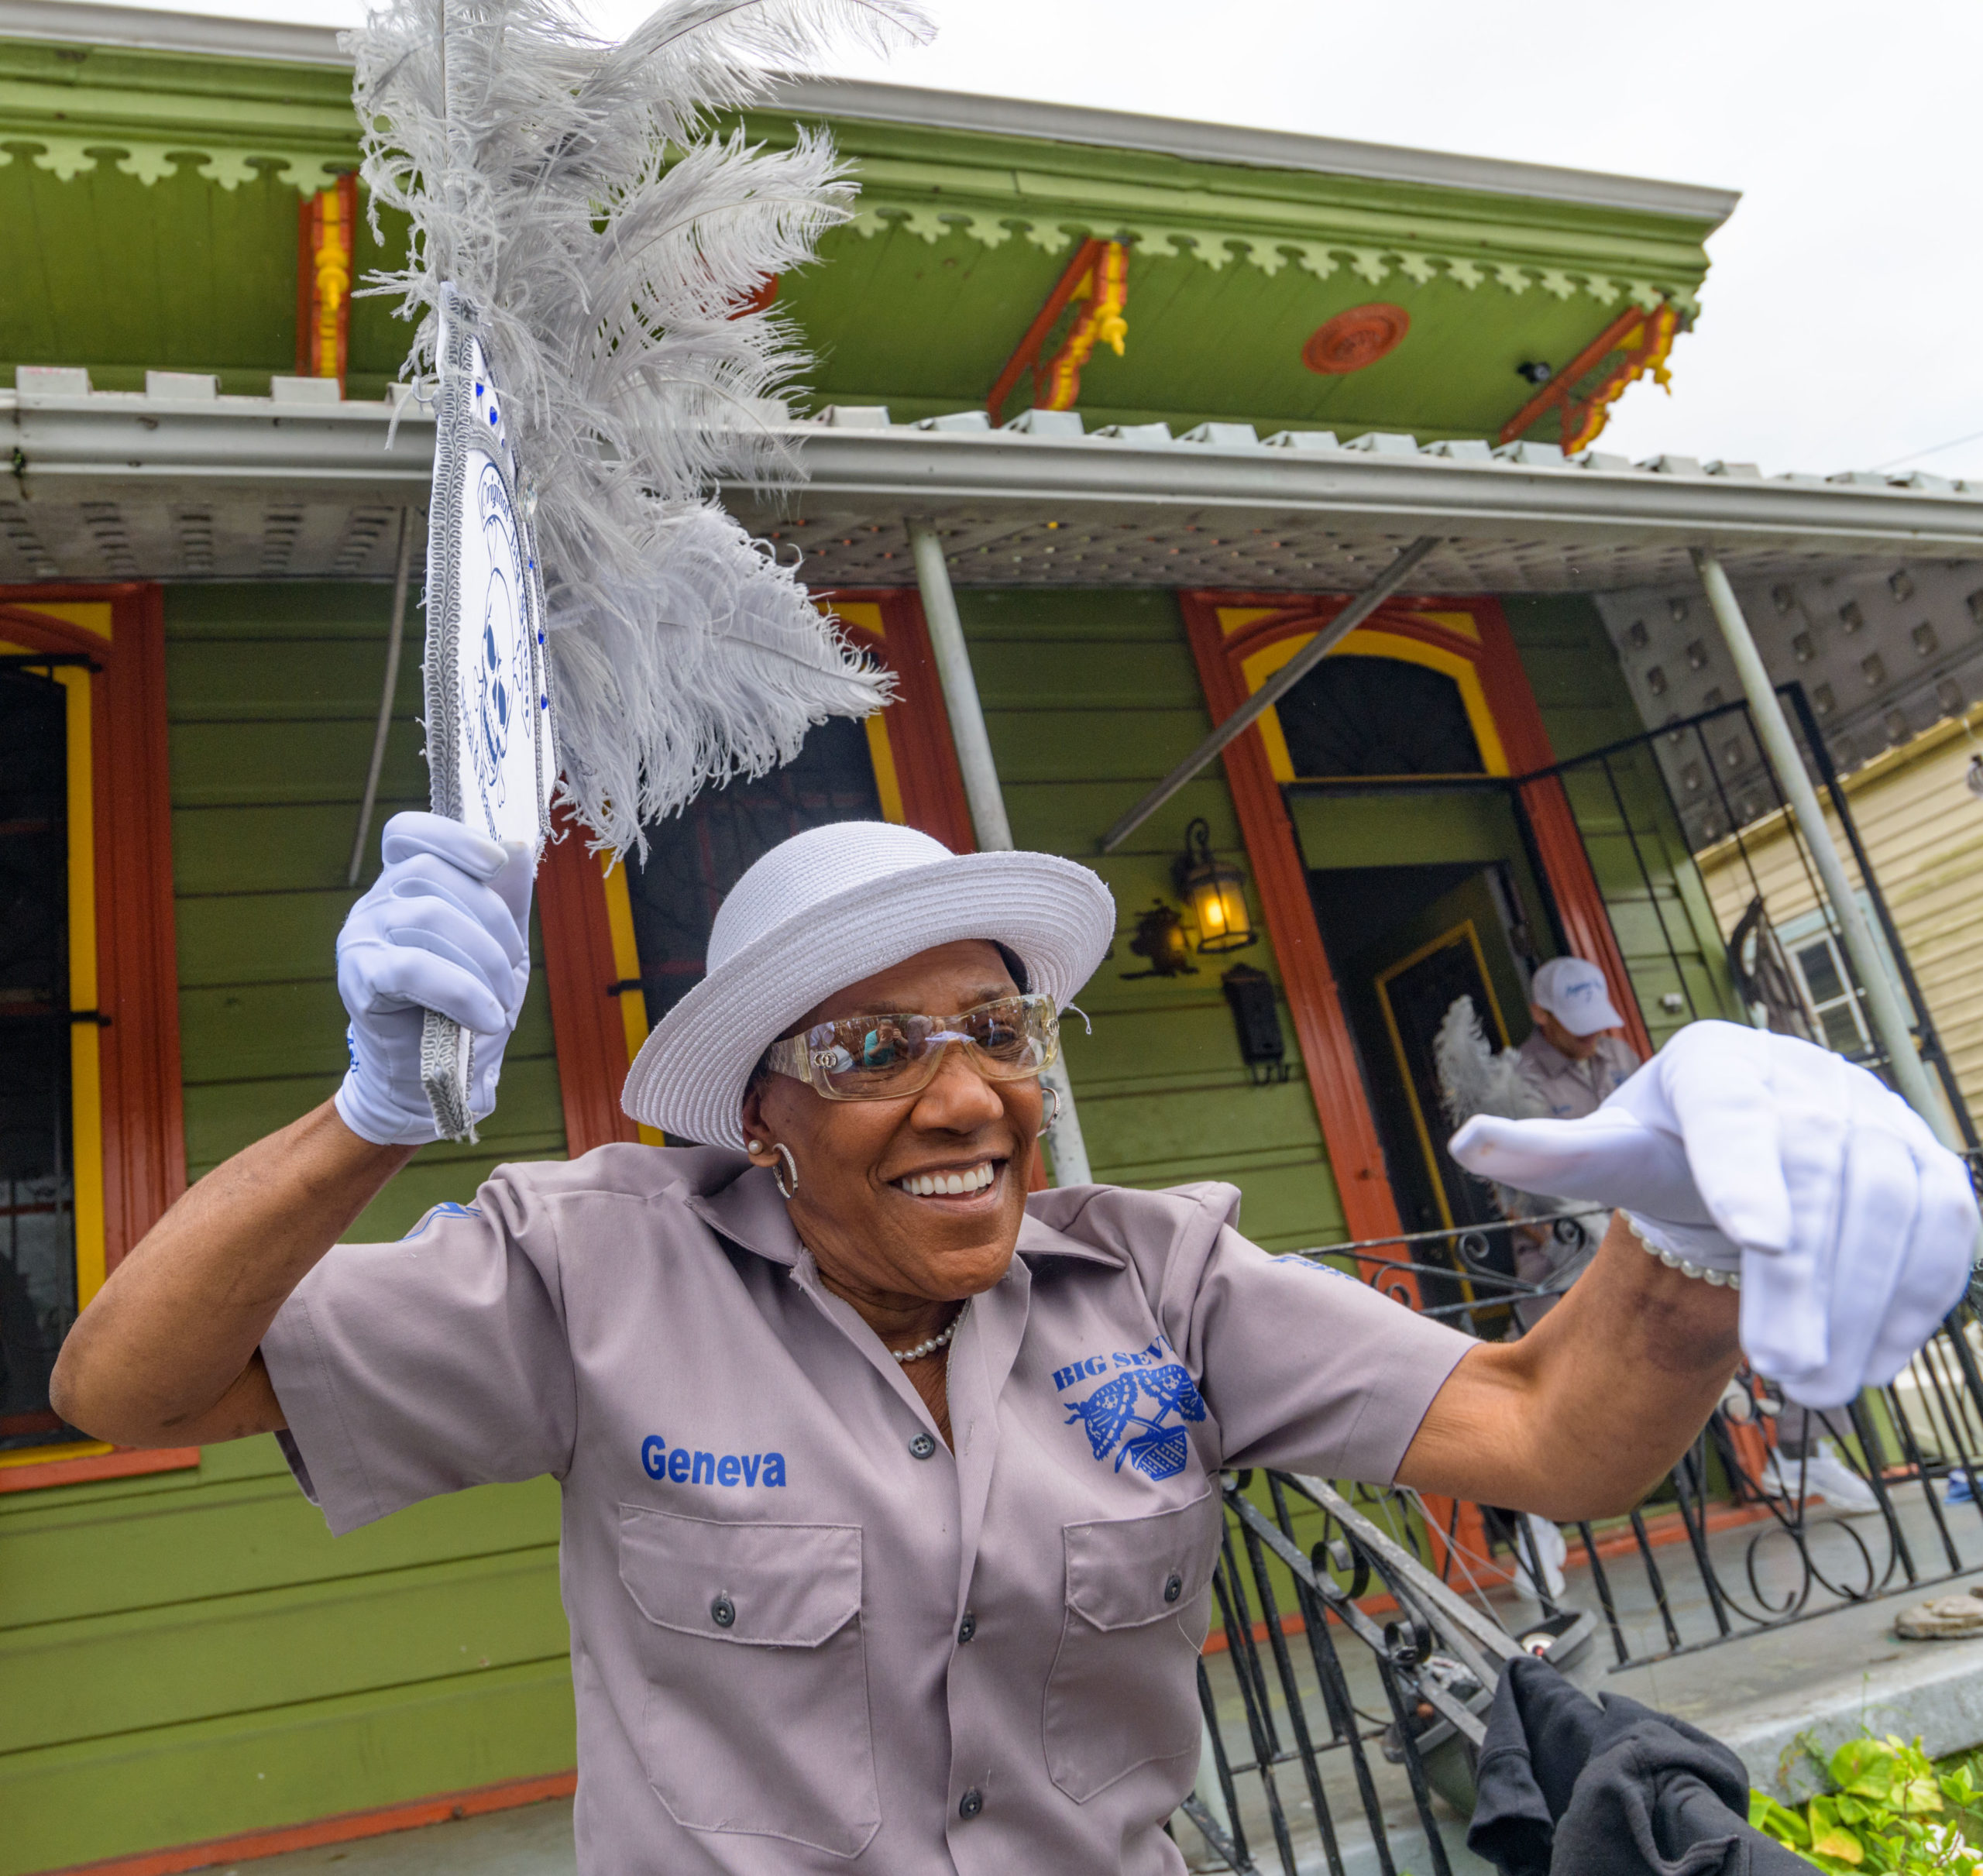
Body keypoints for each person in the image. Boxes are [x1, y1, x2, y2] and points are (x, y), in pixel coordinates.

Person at [51, 816, 1975, 1875]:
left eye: (994, 1028)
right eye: (869, 1048)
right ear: (759, 1118)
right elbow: (122, 1387)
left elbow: (1550, 1430)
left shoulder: (1160, 1277)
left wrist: (1681, 1245)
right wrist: (370, 1116)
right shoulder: (593, 1270)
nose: (964, 1090)